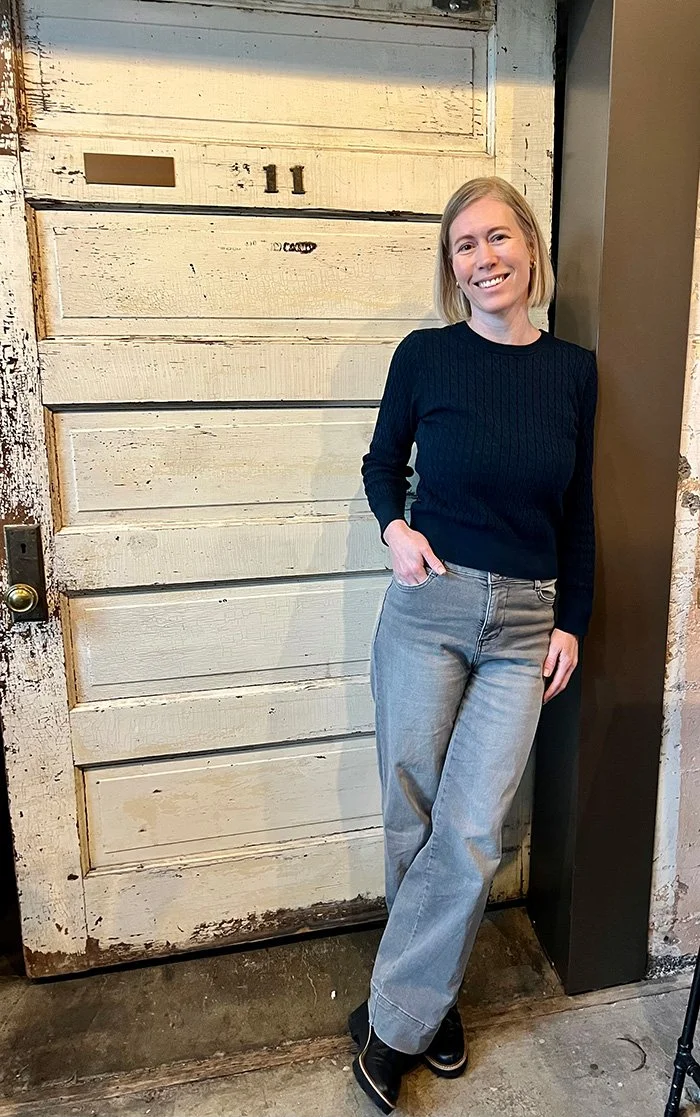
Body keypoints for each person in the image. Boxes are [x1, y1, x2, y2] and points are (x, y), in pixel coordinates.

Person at [349, 176, 597, 1114]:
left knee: (472, 826)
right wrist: (394, 530)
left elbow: (577, 510)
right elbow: (382, 464)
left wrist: (573, 618)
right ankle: (429, 1002)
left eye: (498, 237)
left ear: (529, 248)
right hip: (431, 605)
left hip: (527, 622)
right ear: (452, 269)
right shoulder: (425, 356)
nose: (484, 258)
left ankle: (392, 1020)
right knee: (412, 809)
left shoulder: (574, 372)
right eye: (465, 245)